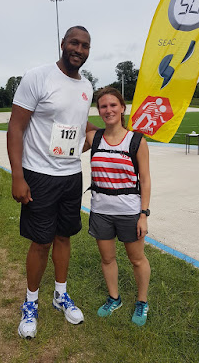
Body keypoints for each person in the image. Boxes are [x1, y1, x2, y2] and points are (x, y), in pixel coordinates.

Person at [7, 25, 98, 339]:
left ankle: (60, 295)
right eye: (74, 42)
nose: (79, 49)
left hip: (71, 176)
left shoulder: (87, 86)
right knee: (41, 241)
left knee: (63, 237)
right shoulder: (38, 77)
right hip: (39, 175)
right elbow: (16, 127)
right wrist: (18, 176)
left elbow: (80, 124)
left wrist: (104, 132)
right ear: (63, 43)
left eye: (85, 45)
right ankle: (30, 303)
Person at [84, 87, 151, 326]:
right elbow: (65, 142)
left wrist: (143, 214)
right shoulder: (94, 138)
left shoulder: (137, 140)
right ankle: (115, 298)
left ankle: (142, 301)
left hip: (129, 211)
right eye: (103, 106)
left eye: (113, 105)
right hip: (101, 210)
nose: (109, 110)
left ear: (123, 108)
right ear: (98, 111)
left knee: (137, 259)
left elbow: (145, 179)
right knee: (107, 259)